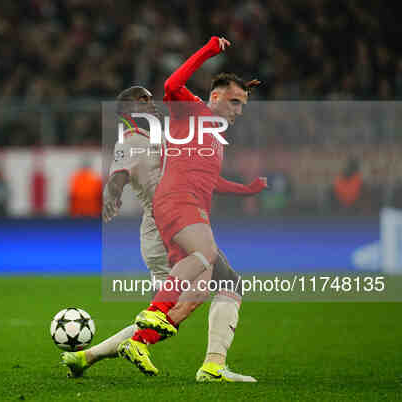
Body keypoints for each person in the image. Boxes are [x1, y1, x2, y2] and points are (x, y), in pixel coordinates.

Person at [117, 36, 267, 382]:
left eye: (242, 105)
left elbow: (211, 181)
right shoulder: (192, 108)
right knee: (207, 255)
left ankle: (148, 345)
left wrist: (246, 190)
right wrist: (210, 49)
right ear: (215, 97)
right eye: (234, 102)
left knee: (214, 287)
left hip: (189, 208)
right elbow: (172, 83)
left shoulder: (212, 134)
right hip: (178, 204)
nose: (238, 111)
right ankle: (155, 313)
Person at [61, 85, 169, 377]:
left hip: (174, 224)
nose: (151, 102)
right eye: (142, 99)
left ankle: (87, 357)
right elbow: (117, 177)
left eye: (151, 98)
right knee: (169, 310)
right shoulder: (130, 141)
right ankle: (215, 363)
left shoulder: (153, 136)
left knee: (168, 311)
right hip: (161, 230)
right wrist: (112, 195)